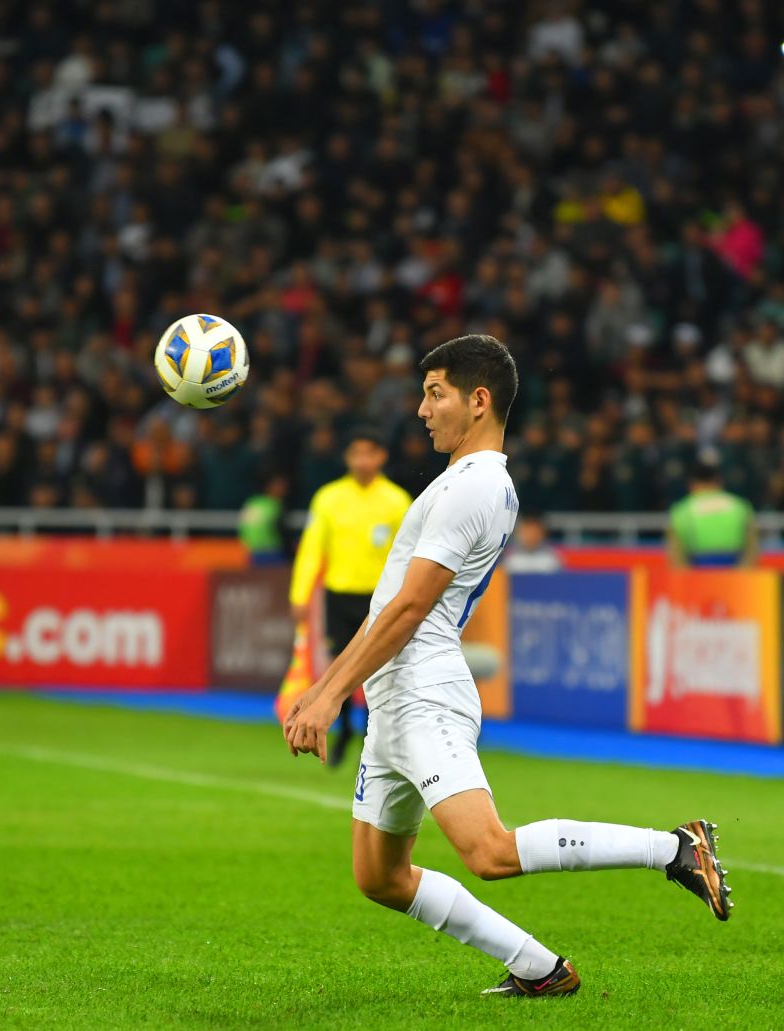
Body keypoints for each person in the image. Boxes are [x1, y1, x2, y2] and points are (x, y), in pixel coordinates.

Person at [283, 335, 730, 999]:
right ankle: (539, 967)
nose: (421, 409)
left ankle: (673, 848)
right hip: (397, 693)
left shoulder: (476, 486)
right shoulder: (464, 481)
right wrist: (334, 687)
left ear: (479, 399)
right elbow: (395, 607)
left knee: (488, 850)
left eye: (435, 393)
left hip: (422, 689)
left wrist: (326, 695)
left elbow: (407, 609)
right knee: (380, 875)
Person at [286, 427, 410, 766]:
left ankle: (373, 736)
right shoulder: (329, 498)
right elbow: (312, 548)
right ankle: (341, 730)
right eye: (355, 453)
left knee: (377, 669)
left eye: (368, 453)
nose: (362, 461)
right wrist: (299, 593)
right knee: (339, 665)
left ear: (381, 457)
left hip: (380, 600)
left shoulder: (397, 501)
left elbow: (409, 555)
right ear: (347, 458)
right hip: (339, 595)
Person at [666, 456, 757, 568]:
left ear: (692, 483)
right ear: (719, 481)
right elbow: (752, 549)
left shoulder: (682, 510)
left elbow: (676, 558)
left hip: (697, 573)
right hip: (734, 573)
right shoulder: (739, 506)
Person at [238, 472, 289, 566]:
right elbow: (279, 529)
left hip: (253, 552)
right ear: (270, 486)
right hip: (272, 552)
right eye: (280, 485)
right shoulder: (275, 505)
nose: (284, 489)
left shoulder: (251, 502)